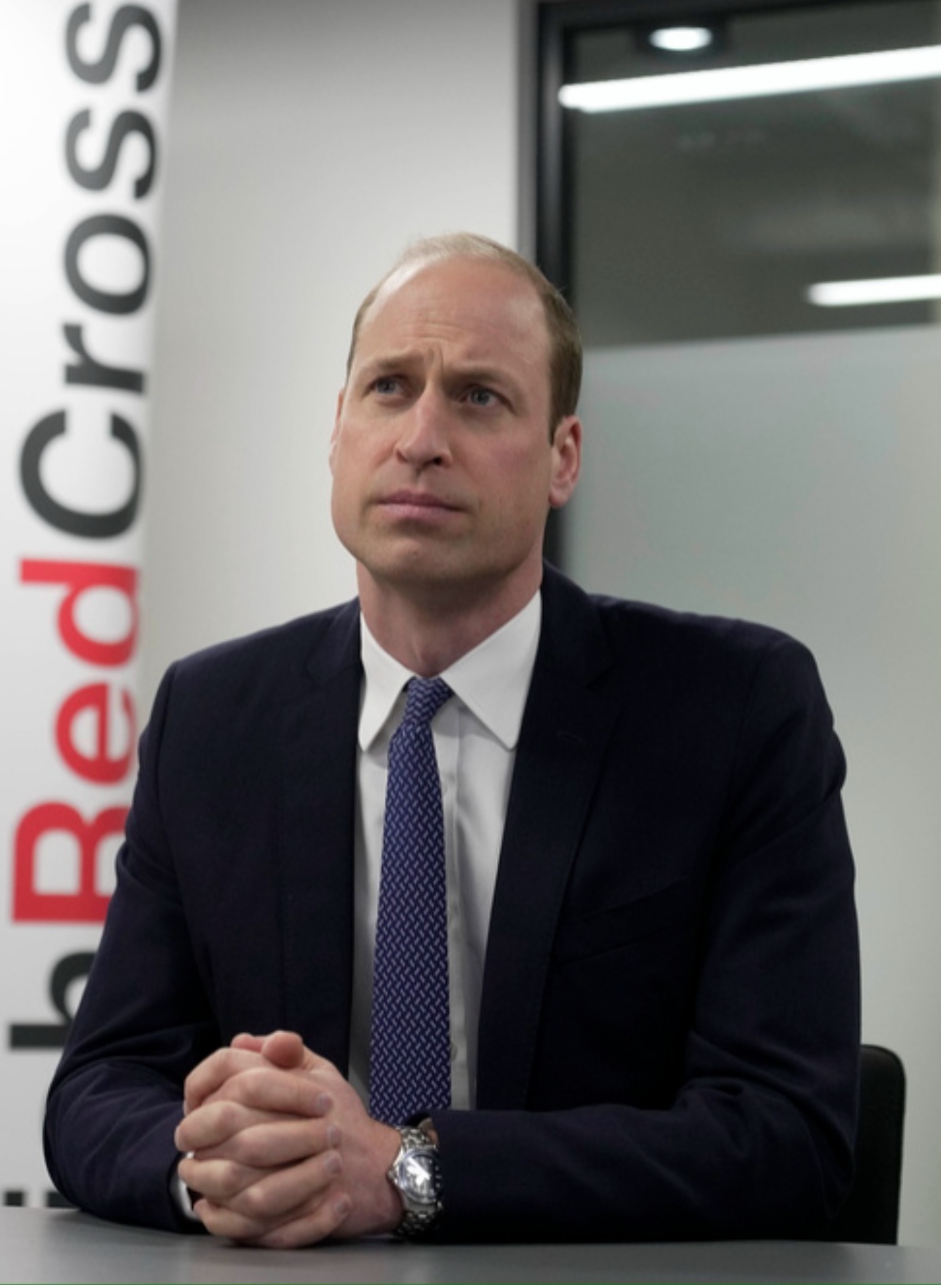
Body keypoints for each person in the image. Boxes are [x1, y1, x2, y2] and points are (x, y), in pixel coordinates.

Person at [43, 233, 859, 1246]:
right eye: (389, 387)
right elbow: (98, 1087)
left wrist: (408, 1174)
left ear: (563, 457)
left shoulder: (734, 711)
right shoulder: (212, 719)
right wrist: (218, 1161)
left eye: (479, 397)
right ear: (337, 429)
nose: (421, 436)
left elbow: (788, 1137)